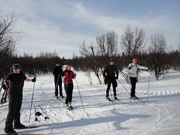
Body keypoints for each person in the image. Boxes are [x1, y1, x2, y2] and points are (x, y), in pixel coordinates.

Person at [4, 63, 36, 134]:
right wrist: (5, 85)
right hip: (12, 94)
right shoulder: (11, 75)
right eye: (14, 68)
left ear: (20, 69)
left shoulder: (22, 75)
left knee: (18, 110)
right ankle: (8, 128)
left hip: (19, 94)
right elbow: (7, 81)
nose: (15, 70)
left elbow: (25, 79)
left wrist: (32, 80)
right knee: (12, 111)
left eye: (16, 68)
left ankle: (17, 124)